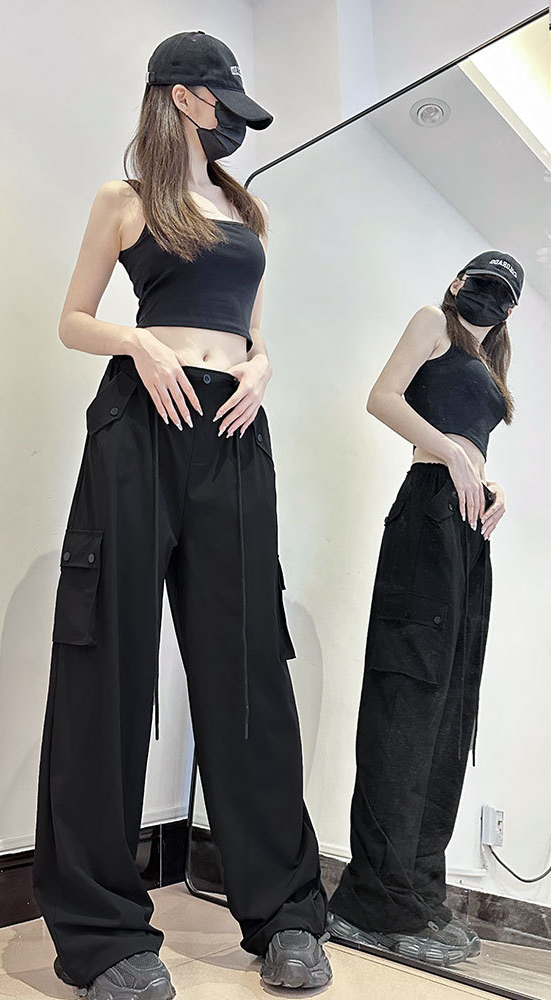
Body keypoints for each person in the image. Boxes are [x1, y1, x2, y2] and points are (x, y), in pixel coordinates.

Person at [32, 30, 332, 1000]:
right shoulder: (125, 201)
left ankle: (286, 914)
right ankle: (103, 934)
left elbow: (252, 331)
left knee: (248, 670)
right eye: (221, 105)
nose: (232, 124)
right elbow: (73, 318)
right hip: (140, 422)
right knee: (107, 667)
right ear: (181, 98)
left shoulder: (247, 210)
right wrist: (139, 343)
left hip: (234, 434)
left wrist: (264, 366)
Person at [328, 252, 523, 968]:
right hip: (427, 515)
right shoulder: (431, 324)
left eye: (504, 294)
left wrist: (490, 482)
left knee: (448, 712)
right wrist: (453, 455)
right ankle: (370, 901)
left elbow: (471, 447)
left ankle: (415, 893)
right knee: (406, 707)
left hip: (468, 529)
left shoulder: (489, 362)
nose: (489, 299)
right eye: (482, 285)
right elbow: (382, 397)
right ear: (458, 284)